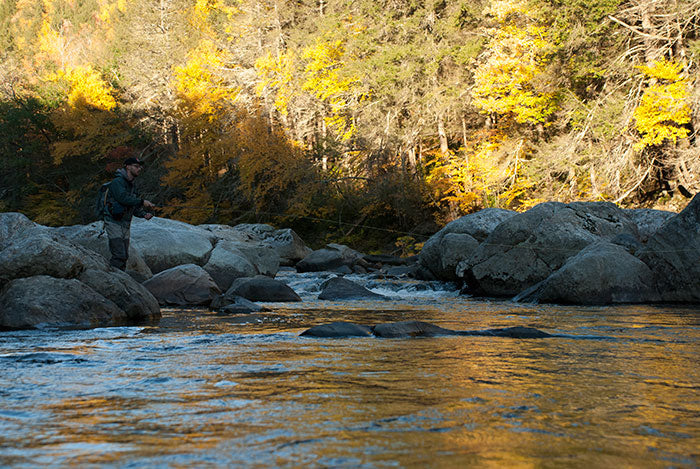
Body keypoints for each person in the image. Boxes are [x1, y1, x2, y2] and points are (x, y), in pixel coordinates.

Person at [103, 156, 155, 270]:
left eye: (140, 167)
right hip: (113, 222)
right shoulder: (117, 182)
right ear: (127, 167)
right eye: (136, 166)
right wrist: (142, 202)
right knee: (119, 255)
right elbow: (122, 198)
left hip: (125, 223)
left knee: (124, 256)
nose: (139, 169)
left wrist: (143, 214)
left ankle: (120, 280)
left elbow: (132, 204)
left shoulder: (132, 185)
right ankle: (114, 280)